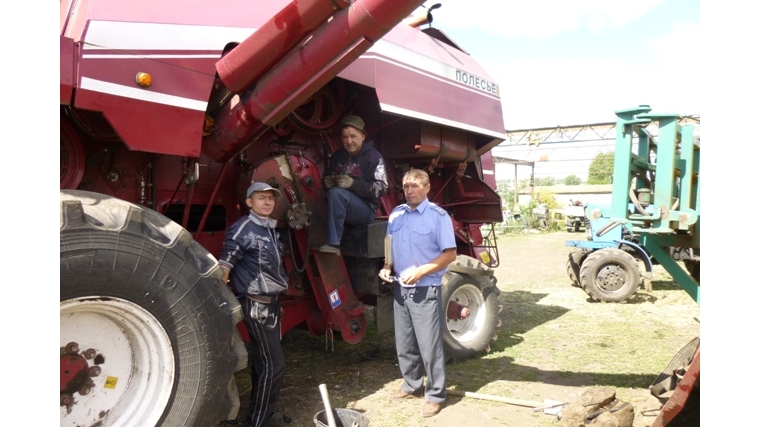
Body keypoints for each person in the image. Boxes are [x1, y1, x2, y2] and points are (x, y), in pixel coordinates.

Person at [379, 169, 457, 418]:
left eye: (414, 186)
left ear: (427, 187)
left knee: (429, 344)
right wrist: (386, 266)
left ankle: (435, 395)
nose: (409, 190)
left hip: (425, 288)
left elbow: (449, 254)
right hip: (400, 286)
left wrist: (422, 271)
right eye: (405, 187)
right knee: (405, 341)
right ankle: (411, 384)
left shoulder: (438, 216)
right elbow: (389, 245)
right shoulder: (396, 214)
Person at [219, 182, 292, 427]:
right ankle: (259, 421)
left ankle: (262, 416)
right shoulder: (243, 229)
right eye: (261, 198)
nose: (267, 202)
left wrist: (277, 299)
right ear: (249, 202)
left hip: (270, 304)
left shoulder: (269, 228)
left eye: (271, 198)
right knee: (274, 364)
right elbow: (224, 268)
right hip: (257, 307)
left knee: (264, 363)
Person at [318, 115, 388, 254]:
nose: (349, 141)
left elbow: (382, 188)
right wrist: (326, 182)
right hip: (342, 205)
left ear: (362, 136)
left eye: (353, 136)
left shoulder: (374, 157)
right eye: (344, 137)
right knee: (334, 193)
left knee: (336, 193)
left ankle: (334, 244)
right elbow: (327, 178)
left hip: (366, 209)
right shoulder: (337, 156)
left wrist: (353, 184)